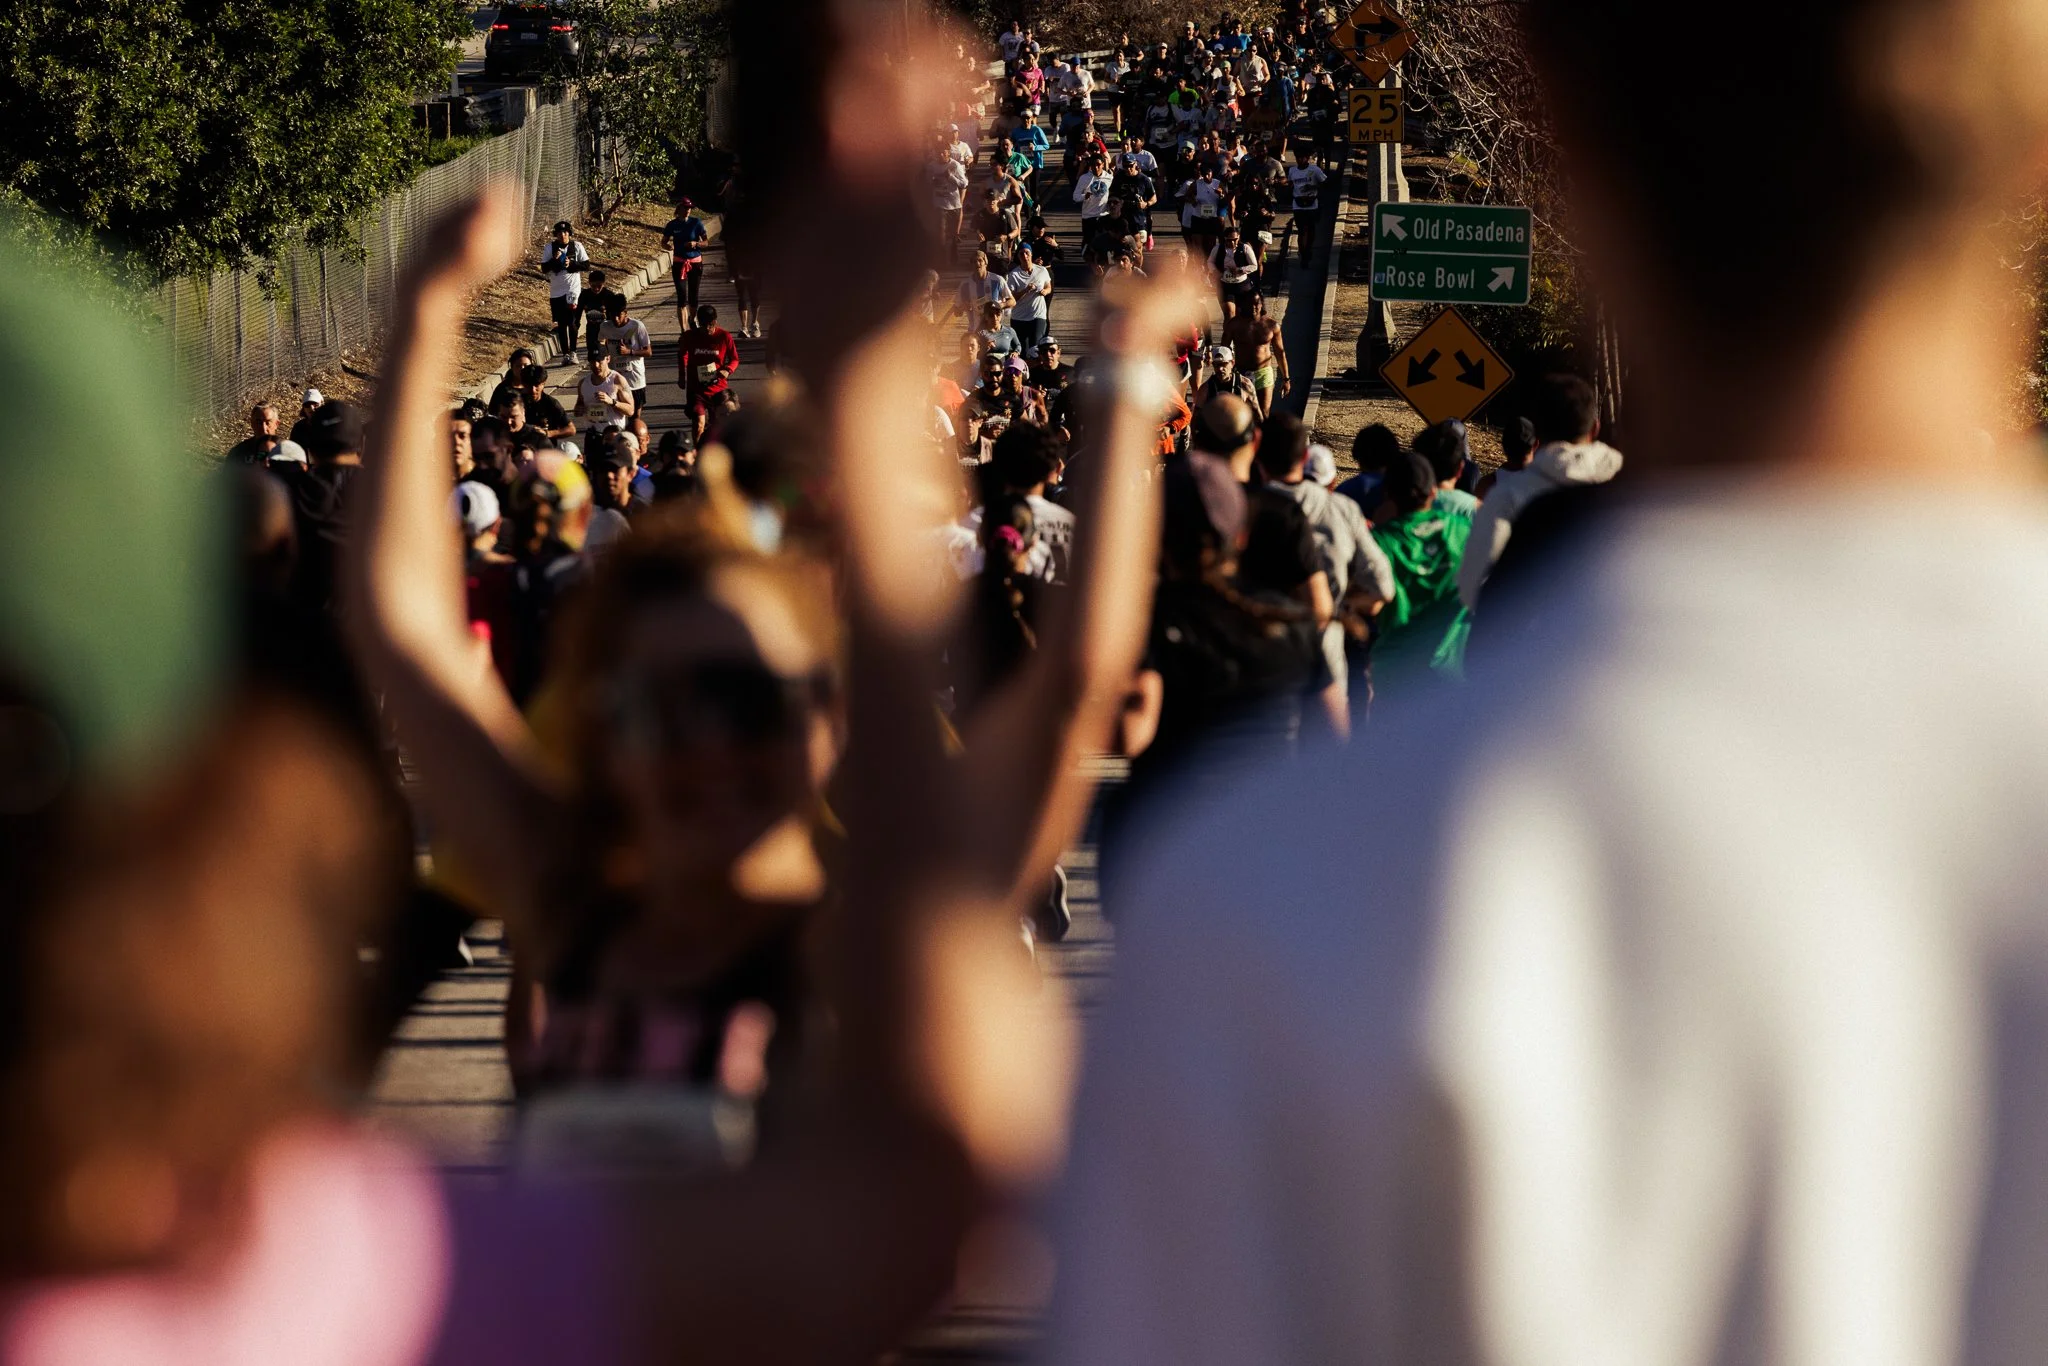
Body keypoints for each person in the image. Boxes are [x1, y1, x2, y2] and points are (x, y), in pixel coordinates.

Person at [1255, 412, 1394, 733]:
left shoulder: (1246, 510)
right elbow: (1382, 586)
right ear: (1303, 457)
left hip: (1262, 664)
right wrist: (1341, 608)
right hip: (1328, 658)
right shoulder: (1340, 509)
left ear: (1258, 456)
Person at [1456, 374, 1624, 609]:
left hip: (1537, 633)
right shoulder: (1635, 485)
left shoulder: (1507, 496)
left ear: (1537, 436)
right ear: (1595, 428)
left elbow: (1471, 587)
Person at [679, 303, 741, 445]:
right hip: (697, 389)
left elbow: (734, 359)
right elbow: (682, 354)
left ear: (715, 322)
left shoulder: (724, 337)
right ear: (698, 323)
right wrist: (682, 376)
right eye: (703, 326)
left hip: (718, 390)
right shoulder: (690, 336)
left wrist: (728, 369)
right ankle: (698, 451)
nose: (707, 329)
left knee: (717, 426)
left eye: (710, 326)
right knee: (699, 423)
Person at [539, 219, 590, 357]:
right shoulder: (550, 248)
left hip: (573, 290)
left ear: (570, 233)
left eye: (566, 232)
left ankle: (573, 351)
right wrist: (554, 260)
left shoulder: (577, 246)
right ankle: (565, 354)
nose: (563, 235)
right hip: (556, 292)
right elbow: (544, 268)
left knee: (572, 322)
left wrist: (572, 264)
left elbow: (586, 265)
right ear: (556, 234)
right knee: (561, 324)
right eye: (560, 233)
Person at [599, 296, 653, 416]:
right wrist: (605, 354)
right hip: (615, 380)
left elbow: (648, 352)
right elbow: (601, 344)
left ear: (625, 313)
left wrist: (629, 352)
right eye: (612, 316)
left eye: (619, 315)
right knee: (616, 419)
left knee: (635, 419)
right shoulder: (605, 327)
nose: (616, 319)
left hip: (635, 380)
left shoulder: (637, 326)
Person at [661, 200, 711, 323]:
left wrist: (696, 243)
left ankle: (692, 319)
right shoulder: (672, 224)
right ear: (679, 209)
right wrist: (667, 246)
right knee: (681, 296)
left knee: (693, 295)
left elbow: (706, 242)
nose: (688, 210)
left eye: (690, 208)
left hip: (695, 263)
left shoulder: (696, 222)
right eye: (685, 207)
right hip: (679, 263)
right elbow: (664, 242)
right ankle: (684, 330)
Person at [1005, 242, 1054, 358]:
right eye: (1021, 254)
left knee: (1036, 348)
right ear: (1018, 257)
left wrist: (1045, 292)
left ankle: (1036, 374)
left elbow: (1049, 286)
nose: (1025, 256)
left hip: (1038, 315)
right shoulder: (1013, 275)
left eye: (1027, 253)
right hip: (1019, 318)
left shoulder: (1042, 270)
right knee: (1021, 350)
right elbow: (1012, 298)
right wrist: (1025, 290)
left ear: (1031, 254)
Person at [1281, 145, 1326, 264]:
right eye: (1298, 158)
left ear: (1307, 158)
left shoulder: (1315, 170)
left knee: (1310, 229)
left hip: (1312, 203)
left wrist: (1312, 186)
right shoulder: (1292, 170)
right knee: (1301, 230)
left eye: (1302, 158)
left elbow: (1325, 184)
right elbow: (1290, 184)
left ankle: (1308, 249)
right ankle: (1303, 252)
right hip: (1298, 204)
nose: (1300, 160)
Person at [574, 349, 635, 432]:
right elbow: (579, 405)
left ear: (608, 359)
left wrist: (612, 402)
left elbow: (630, 411)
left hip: (613, 436)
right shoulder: (583, 383)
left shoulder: (617, 380)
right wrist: (578, 410)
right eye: (592, 361)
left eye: (599, 361)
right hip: (592, 436)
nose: (596, 365)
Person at [1208, 223, 1260, 310]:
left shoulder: (1245, 248)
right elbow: (1210, 261)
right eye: (1229, 240)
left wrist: (1240, 270)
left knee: (1241, 313)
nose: (1232, 242)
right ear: (1225, 238)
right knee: (1229, 312)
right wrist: (1215, 271)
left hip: (1242, 285)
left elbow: (1254, 266)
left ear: (1238, 237)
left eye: (1234, 239)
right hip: (1224, 285)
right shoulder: (1218, 248)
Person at [516, 362, 573, 441]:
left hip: (546, 449)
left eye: (537, 385)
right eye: (529, 385)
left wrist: (548, 433)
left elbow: (571, 429)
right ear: (523, 383)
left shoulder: (551, 403)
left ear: (543, 384)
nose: (533, 390)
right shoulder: (516, 402)